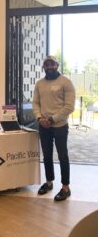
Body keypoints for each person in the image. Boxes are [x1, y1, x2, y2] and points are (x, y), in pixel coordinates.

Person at [33, 55, 75, 201]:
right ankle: (49, 182)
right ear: (43, 67)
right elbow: (35, 103)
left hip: (60, 126)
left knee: (63, 156)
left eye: (52, 64)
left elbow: (69, 107)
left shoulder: (66, 82)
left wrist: (51, 119)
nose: (49, 67)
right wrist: (39, 118)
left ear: (57, 65)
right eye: (47, 65)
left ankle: (65, 187)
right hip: (43, 126)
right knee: (47, 156)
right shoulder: (39, 84)